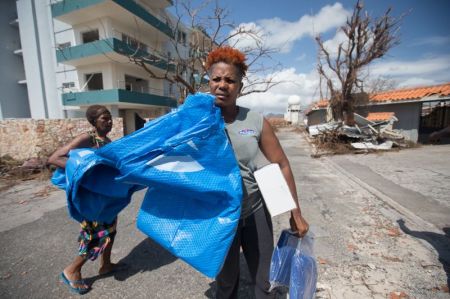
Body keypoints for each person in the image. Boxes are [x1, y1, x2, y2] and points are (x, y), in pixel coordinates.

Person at [206, 46, 309, 299]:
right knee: (226, 282)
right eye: (216, 79)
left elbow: (282, 164)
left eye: (230, 80)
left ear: (240, 87)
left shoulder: (254, 120)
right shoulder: (196, 121)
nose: (222, 85)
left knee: (264, 281)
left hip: (254, 210)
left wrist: (295, 212)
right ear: (208, 82)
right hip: (220, 217)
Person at [48, 105, 120, 294]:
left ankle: (106, 265)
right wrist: (84, 171)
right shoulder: (87, 138)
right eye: (104, 118)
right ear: (94, 122)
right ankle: (72, 270)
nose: (109, 121)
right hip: (91, 202)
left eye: (110, 117)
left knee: (111, 231)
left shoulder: (107, 141)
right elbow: (54, 158)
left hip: (104, 199)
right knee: (96, 236)